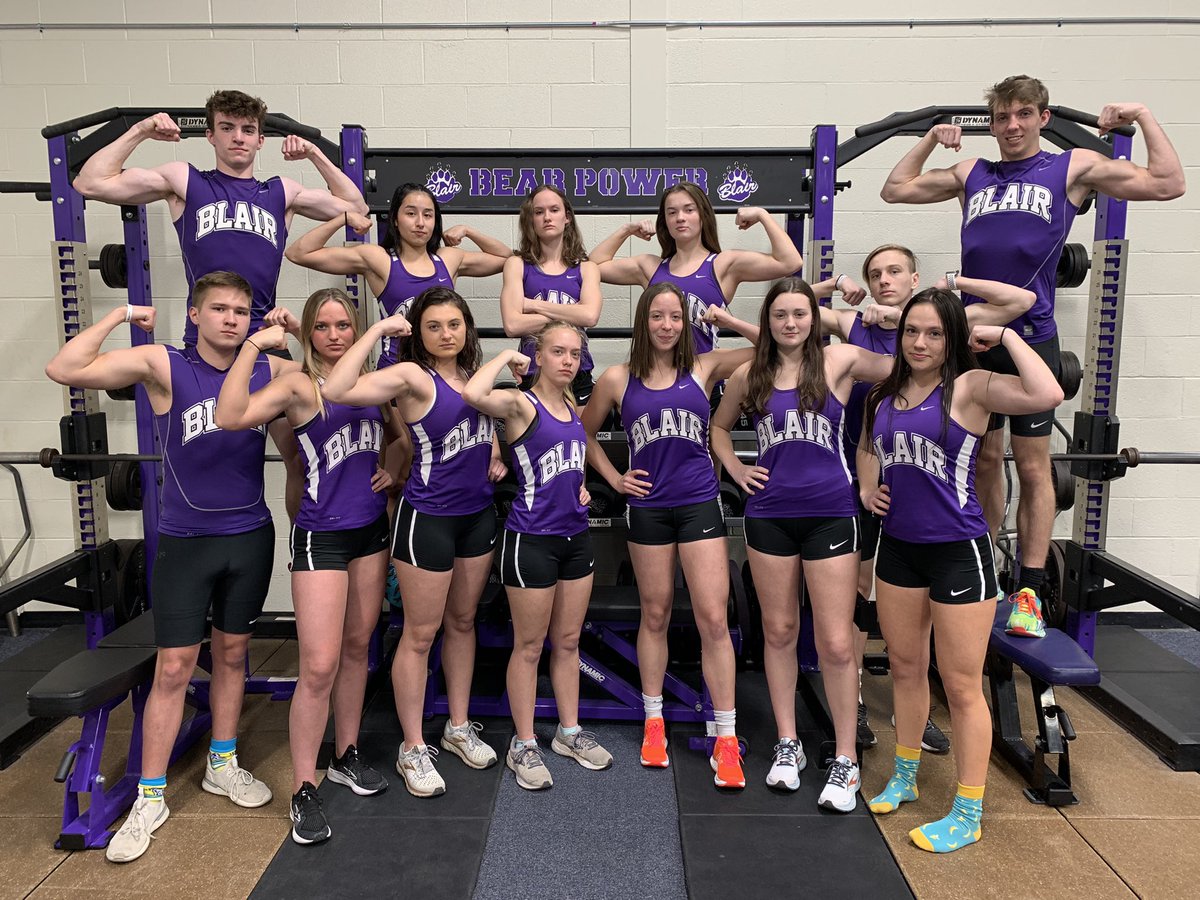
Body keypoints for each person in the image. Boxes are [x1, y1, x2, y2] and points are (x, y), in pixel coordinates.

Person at [881, 75, 1185, 638]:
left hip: (1029, 337)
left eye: (1023, 114)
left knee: (1033, 464)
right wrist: (929, 138)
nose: (1012, 126)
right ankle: (985, 567)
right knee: (983, 459)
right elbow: (895, 189)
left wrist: (1142, 114)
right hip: (972, 336)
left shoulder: (1071, 168)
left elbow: (1169, 183)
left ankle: (1030, 589)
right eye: (1002, 117)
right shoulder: (972, 173)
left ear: (1043, 117)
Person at [45, 271, 297, 863]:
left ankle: (222, 762)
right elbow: (64, 368)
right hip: (186, 543)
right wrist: (120, 316)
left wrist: (292, 335)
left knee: (233, 654)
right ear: (195, 314)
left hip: (249, 536)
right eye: (220, 309)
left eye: (241, 311)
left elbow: (324, 394)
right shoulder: (165, 365)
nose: (232, 319)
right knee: (175, 666)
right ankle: (150, 796)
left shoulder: (267, 368)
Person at [858, 288, 1063, 852]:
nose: (920, 343)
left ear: (951, 339)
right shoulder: (883, 394)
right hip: (899, 550)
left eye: (934, 333)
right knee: (904, 668)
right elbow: (868, 448)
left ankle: (968, 811)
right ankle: (905, 774)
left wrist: (1008, 337)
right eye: (911, 331)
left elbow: (1048, 392)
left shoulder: (971, 387)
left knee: (962, 684)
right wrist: (868, 488)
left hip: (959, 553)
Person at [819, 246, 1034, 751]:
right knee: (861, 593)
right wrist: (838, 285)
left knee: (943, 624)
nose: (884, 280)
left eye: (894, 271)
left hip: (939, 495)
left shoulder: (945, 320)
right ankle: (857, 701)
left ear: (914, 278)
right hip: (879, 483)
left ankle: (918, 712)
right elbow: (793, 310)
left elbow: (1021, 302)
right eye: (875, 273)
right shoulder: (854, 324)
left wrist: (954, 285)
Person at [214, 288, 405, 845]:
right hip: (322, 537)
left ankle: (346, 754)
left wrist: (392, 468)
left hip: (370, 532)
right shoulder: (300, 386)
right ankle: (304, 786)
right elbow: (229, 416)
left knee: (357, 648)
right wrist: (254, 345)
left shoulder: (372, 384)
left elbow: (401, 440)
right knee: (319, 665)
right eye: (322, 326)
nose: (334, 335)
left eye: (344, 325)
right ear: (308, 333)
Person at [711, 277, 892, 809]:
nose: (790, 323)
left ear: (815, 319)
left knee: (835, 642)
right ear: (767, 322)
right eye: (780, 315)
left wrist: (886, 315)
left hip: (831, 514)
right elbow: (718, 429)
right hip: (769, 516)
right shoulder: (750, 374)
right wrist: (737, 469)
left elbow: (906, 365)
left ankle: (845, 758)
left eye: (800, 313)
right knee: (780, 631)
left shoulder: (839, 360)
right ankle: (787, 743)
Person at [321, 287, 505, 798]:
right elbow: (337, 388)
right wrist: (379, 329)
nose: (447, 334)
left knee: (463, 622)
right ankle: (412, 747)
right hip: (429, 520)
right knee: (420, 635)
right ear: (419, 334)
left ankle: (458, 726)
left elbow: (481, 428)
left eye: (454, 324)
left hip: (477, 517)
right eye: (434, 326)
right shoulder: (411, 376)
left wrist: (493, 452)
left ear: (467, 328)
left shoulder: (473, 376)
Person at [581, 282, 757, 790]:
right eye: (657, 316)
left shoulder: (704, 367)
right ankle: (653, 720)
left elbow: (772, 345)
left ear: (686, 323)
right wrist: (615, 479)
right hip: (648, 510)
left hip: (699, 504)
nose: (666, 325)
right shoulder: (618, 378)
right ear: (644, 321)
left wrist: (728, 321)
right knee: (654, 613)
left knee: (712, 619)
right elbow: (582, 431)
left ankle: (726, 736)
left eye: (675, 317)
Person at [72, 89, 368, 347]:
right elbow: (90, 183)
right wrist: (140, 131)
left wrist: (314, 153)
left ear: (260, 140)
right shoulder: (185, 181)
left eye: (248, 130)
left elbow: (356, 208)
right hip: (205, 342)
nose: (238, 137)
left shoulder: (282, 192)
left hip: (263, 339)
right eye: (227, 128)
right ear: (210, 136)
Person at [462, 322, 612, 790]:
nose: (568, 360)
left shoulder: (571, 407)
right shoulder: (520, 403)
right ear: (539, 356)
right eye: (558, 352)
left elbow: (570, 459)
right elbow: (472, 394)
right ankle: (524, 743)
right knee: (529, 646)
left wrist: (580, 486)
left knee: (568, 641)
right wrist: (507, 357)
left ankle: (569, 732)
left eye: (574, 354)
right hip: (531, 540)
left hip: (575, 537)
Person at [286, 182, 512, 369]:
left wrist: (469, 231)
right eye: (411, 214)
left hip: (441, 373)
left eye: (428, 215)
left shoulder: (448, 259)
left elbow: (508, 259)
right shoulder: (380, 259)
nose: (420, 223)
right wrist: (343, 218)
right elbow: (298, 253)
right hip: (395, 373)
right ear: (395, 218)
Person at [589, 182, 802, 359]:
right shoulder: (650, 267)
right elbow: (592, 268)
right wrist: (626, 230)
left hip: (706, 382)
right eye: (672, 212)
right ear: (665, 221)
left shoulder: (723, 264)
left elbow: (790, 262)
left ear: (703, 215)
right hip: (659, 379)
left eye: (689, 210)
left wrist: (763, 215)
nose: (680, 217)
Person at [500, 185, 602, 404]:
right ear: (531, 220)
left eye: (554, 210)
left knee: (581, 427)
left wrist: (532, 305)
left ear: (567, 217)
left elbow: (590, 316)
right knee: (538, 427)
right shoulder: (517, 264)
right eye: (539, 212)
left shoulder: (586, 268)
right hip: (533, 371)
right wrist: (572, 314)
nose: (547, 217)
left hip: (577, 370)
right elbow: (513, 325)